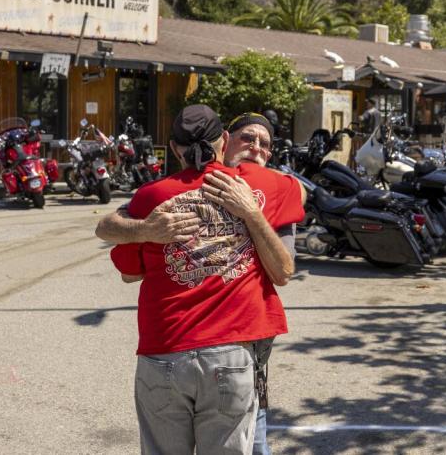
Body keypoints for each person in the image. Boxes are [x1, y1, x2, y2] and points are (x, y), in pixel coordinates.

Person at [96, 111, 303, 455]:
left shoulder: (152, 197)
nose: (255, 148)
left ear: (175, 149)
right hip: (231, 351)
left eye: (263, 143)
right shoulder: (267, 186)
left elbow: (128, 269)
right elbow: (300, 192)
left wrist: (149, 229)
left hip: (164, 350)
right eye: (247, 139)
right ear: (224, 139)